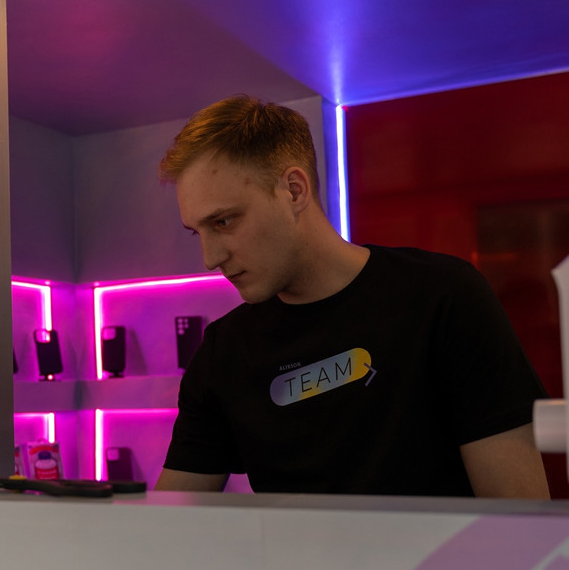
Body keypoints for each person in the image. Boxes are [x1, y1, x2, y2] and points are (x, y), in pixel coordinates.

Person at [154, 95, 550, 498]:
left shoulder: (444, 297)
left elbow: (519, 514)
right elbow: (169, 519)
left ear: (294, 190)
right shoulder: (223, 353)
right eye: (198, 231)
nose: (210, 258)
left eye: (224, 221)